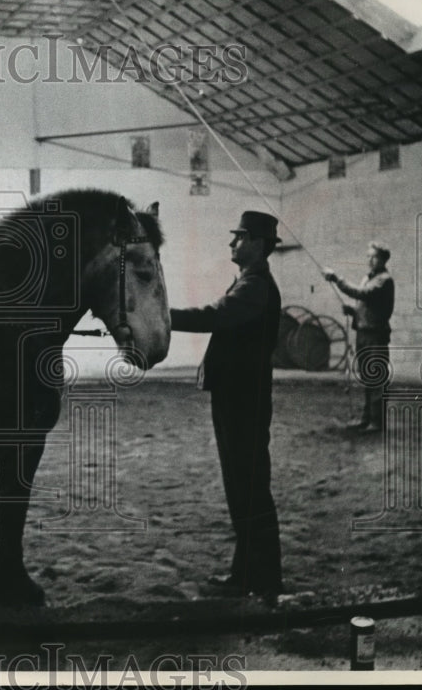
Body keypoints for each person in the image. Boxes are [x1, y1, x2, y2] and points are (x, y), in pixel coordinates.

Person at [170, 211, 284, 603]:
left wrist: (161, 317)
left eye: (238, 237)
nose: (232, 244)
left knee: (249, 487)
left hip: (243, 400)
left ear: (255, 242)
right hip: (238, 396)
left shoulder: (255, 285)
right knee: (243, 488)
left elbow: (214, 316)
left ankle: (265, 580)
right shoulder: (250, 282)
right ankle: (247, 573)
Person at [323, 243, 394, 432]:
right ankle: (367, 419)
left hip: (376, 335)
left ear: (383, 259)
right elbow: (367, 306)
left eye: (374, 257)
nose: (370, 260)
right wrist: (353, 311)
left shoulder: (384, 280)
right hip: (363, 333)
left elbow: (363, 294)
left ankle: (377, 422)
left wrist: (337, 279)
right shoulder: (367, 278)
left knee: (376, 378)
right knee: (366, 377)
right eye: (368, 256)